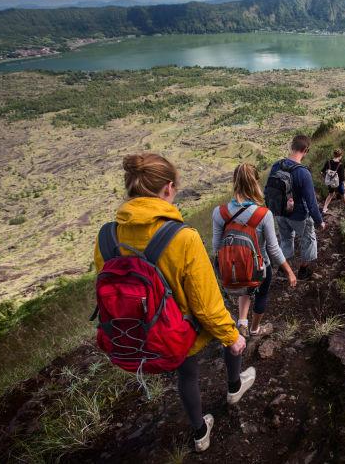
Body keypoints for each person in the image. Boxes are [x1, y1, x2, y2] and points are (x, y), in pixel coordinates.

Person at [93, 153, 254, 453]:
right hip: (180, 331)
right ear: (168, 189)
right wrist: (232, 338)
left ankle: (199, 432)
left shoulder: (106, 236)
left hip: (140, 332)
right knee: (228, 330)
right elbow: (206, 305)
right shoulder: (183, 238)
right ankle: (234, 386)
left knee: (187, 373)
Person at [213, 163, 297, 338]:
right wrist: (289, 271)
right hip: (260, 268)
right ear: (255, 183)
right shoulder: (263, 214)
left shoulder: (219, 213)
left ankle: (242, 322)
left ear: (235, 182)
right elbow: (273, 249)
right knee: (261, 295)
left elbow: (216, 247)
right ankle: (254, 329)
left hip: (235, 268)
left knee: (244, 286)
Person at [268, 135, 325, 281]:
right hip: (298, 216)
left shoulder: (276, 166)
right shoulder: (303, 173)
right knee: (308, 239)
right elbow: (311, 202)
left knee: (286, 239)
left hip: (279, 213)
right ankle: (304, 270)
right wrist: (319, 221)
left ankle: (283, 270)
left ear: (292, 147)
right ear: (305, 150)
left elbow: (269, 191)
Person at [321, 148, 345, 214]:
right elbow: (341, 178)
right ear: (340, 156)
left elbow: (322, 172)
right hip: (338, 183)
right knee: (343, 195)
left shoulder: (328, 162)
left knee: (330, 195)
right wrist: (344, 186)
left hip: (330, 182)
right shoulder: (340, 165)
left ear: (334, 154)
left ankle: (324, 209)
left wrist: (325, 178)